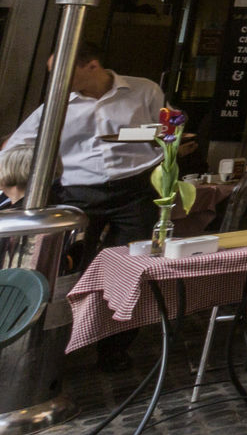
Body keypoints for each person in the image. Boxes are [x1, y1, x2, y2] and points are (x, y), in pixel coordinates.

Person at [2, 45, 172, 366]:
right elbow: (15, 147)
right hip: (77, 193)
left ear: (92, 65)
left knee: (134, 269)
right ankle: (57, 347)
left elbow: (167, 130)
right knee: (69, 270)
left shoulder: (144, 90)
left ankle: (114, 348)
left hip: (137, 188)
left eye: (63, 70)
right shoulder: (56, 104)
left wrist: (166, 138)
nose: (56, 79)